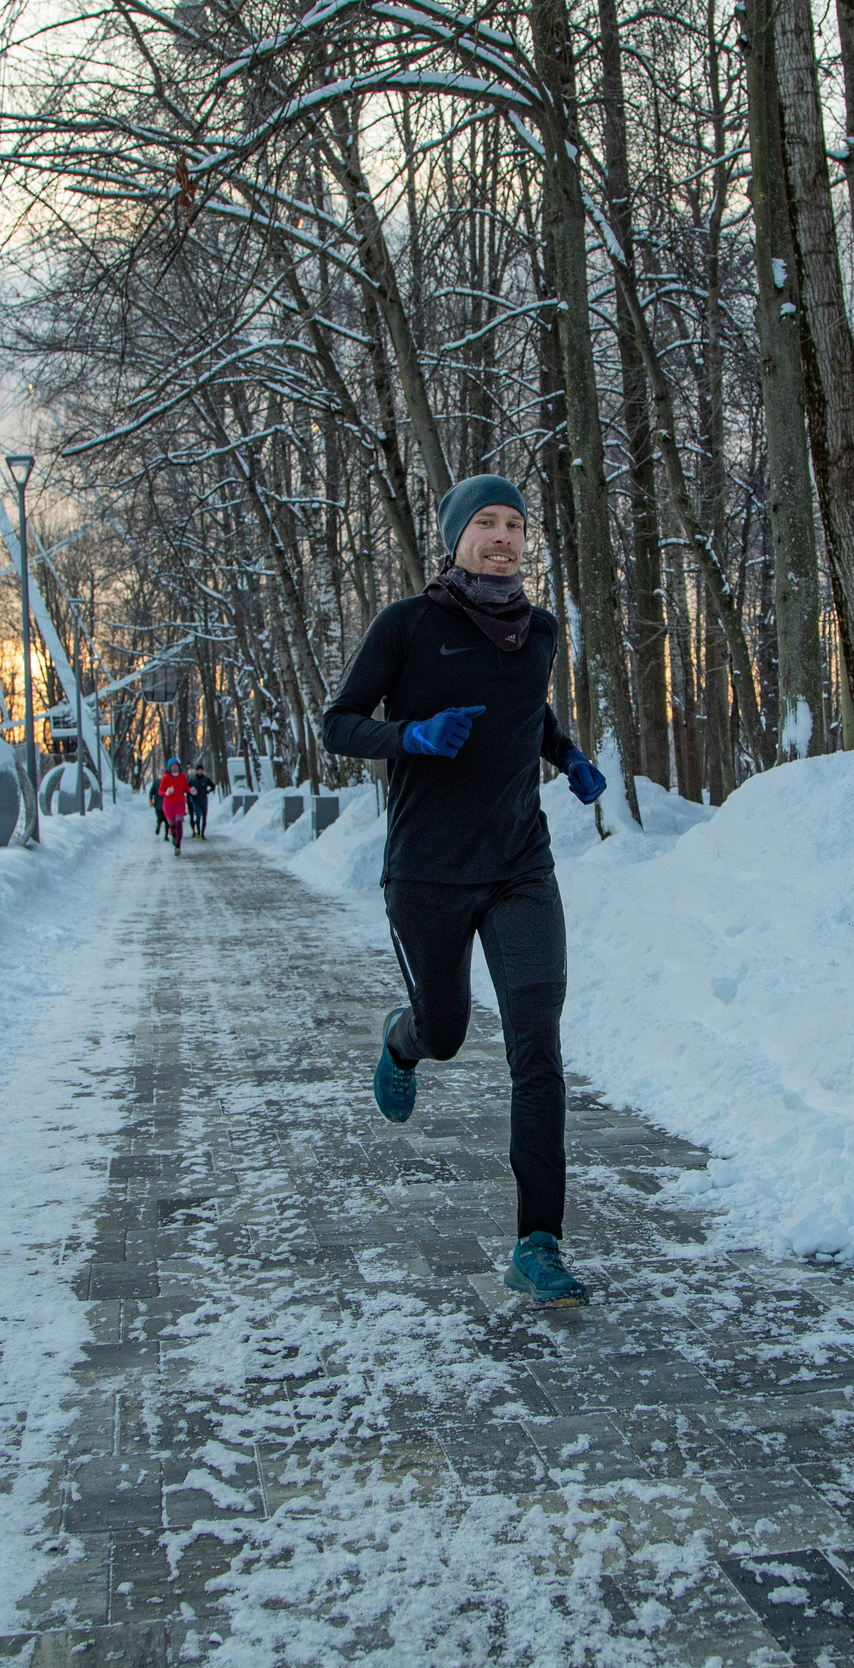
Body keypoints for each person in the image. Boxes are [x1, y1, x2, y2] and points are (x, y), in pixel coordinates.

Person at [322, 474, 607, 1306]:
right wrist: (407, 734)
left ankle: (537, 1240)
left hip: (521, 867)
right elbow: (338, 722)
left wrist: (568, 755)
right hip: (426, 873)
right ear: (455, 537)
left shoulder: (541, 631)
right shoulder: (408, 625)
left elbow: (530, 715)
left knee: (537, 1049)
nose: (502, 537)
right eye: (485, 522)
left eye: (515, 523)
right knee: (447, 1031)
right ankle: (403, 1041)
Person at [158, 759, 191, 855]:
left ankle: (178, 846)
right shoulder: (166, 777)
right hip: (168, 804)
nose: (174, 768)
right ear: (169, 767)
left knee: (179, 824)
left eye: (176, 766)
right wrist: (166, 792)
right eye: (172, 766)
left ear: (179, 766)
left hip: (180, 803)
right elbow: (160, 791)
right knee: (172, 826)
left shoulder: (182, 776)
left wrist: (191, 790)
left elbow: (186, 787)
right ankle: (174, 837)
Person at [188, 766, 217, 839]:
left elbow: (213, 786)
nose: (200, 772)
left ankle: (202, 833)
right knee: (198, 816)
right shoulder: (193, 779)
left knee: (204, 817)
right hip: (196, 800)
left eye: (201, 770)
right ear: (196, 771)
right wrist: (191, 794)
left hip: (204, 800)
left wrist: (208, 791)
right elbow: (187, 787)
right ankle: (198, 831)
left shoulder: (206, 779)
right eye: (198, 770)